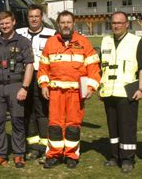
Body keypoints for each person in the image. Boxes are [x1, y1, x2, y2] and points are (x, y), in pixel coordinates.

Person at [37, 10, 101, 169]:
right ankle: (54, 155)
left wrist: (91, 87)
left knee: (73, 125)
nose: (66, 25)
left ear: (73, 24)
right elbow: (43, 67)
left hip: (75, 93)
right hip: (56, 91)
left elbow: (94, 67)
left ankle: (72, 155)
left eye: (68, 22)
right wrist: (44, 85)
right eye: (63, 22)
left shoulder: (84, 42)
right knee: (54, 125)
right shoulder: (51, 42)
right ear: (58, 24)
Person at [0, 11, 34, 169]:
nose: (4, 26)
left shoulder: (23, 42)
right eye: (1, 24)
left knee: (17, 121)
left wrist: (25, 87)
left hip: (15, 86)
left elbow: (30, 66)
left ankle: (19, 155)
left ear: (13, 22)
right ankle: (0, 155)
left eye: (7, 23)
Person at [99, 11, 142, 173]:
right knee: (112, 127)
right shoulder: (105, 41)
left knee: (127, 127)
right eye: (114, 22)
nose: (117, 25)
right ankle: (114, 156)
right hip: (108, 92)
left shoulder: (136, 41)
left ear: (127, 24)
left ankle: (127, 158)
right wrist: (100, 86)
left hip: (128, 91)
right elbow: (101, 68)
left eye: (120, 22)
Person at [16, 4, 55, 160]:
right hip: (24, 76)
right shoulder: (19, 33)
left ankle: (45, 146)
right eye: (31, 16)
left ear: (41, 17)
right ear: (27, 17)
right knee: (28, 112)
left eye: (36, 16)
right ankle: (32, 146)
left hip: (42, 75)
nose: (33, 19)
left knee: (43, 112)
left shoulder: (51, 34)